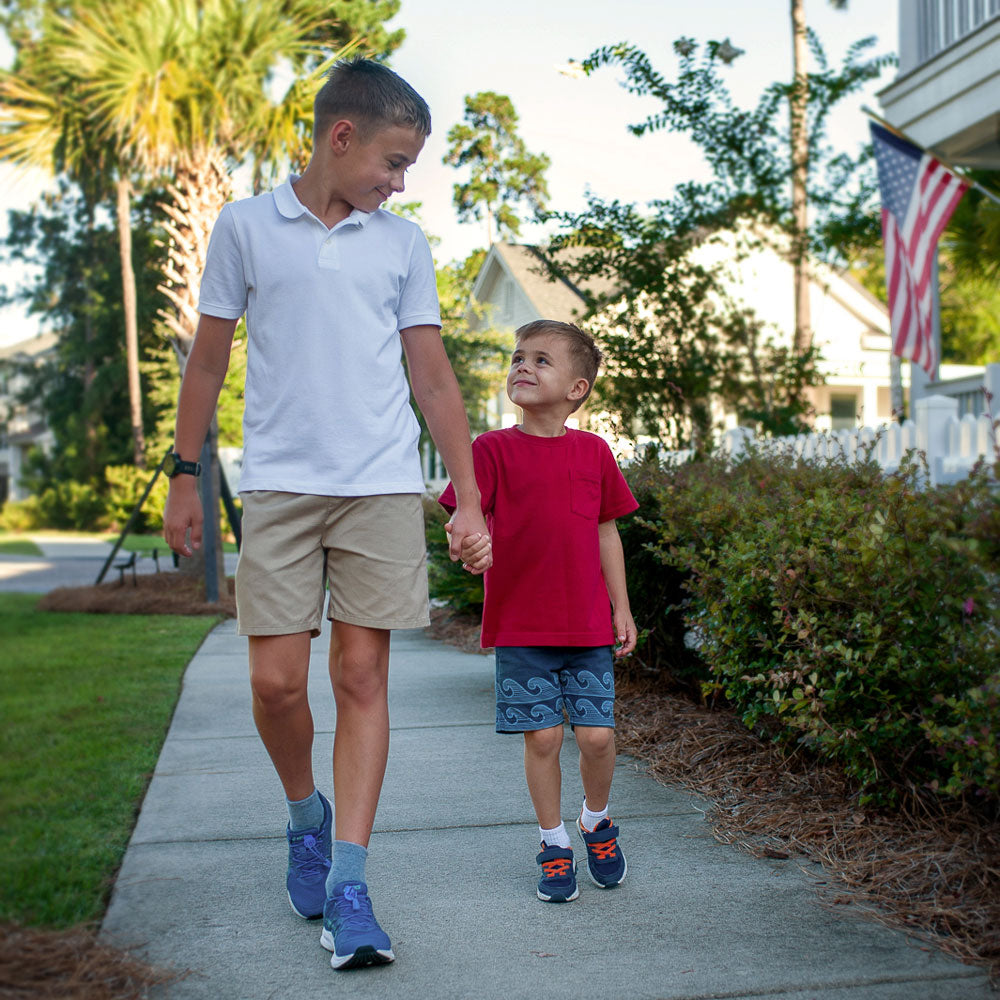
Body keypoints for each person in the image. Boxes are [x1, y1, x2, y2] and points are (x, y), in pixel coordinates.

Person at [163, 57, 489, 971]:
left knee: (360, 677)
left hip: (381, 484)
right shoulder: (244, 227)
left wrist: (469, 494)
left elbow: (432, 376)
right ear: (339, 138)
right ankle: (306, 813)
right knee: (274, 685)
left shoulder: (402, 243)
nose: (399, 182)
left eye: (407, 169)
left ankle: (350, 881)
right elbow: (205, 364)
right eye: (392, 161)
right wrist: (185, 474)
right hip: (278, 487)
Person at [439, 319, 638, 903]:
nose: (522, 366)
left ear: (578, 388)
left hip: (586, 626)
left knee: (598, 737)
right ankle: (553, 843)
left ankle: (595, 822)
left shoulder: (594, 452)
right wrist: (468, 542)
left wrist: (620, 608)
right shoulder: (490, 450)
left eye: (541, 360)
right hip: (523, 625)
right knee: (545, 738)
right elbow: (464, 519)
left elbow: (607, 533)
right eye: (518, 357)